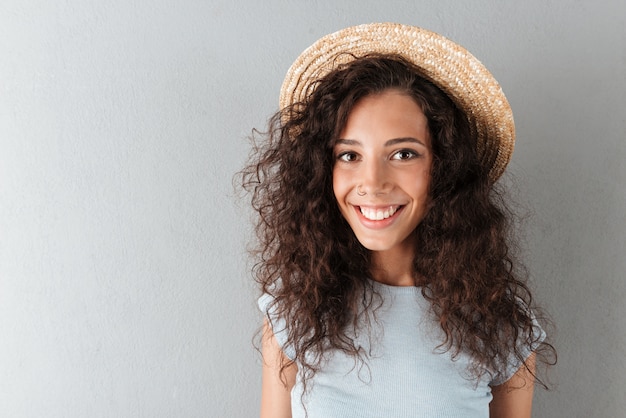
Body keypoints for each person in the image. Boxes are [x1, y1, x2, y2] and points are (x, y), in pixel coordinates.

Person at [240, 23, 555, 418]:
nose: (372, 184)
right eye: (349, 155)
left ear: (444, 167)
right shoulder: (297, 311)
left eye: (403, 154)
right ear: (324, 168)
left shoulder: (501, 326)